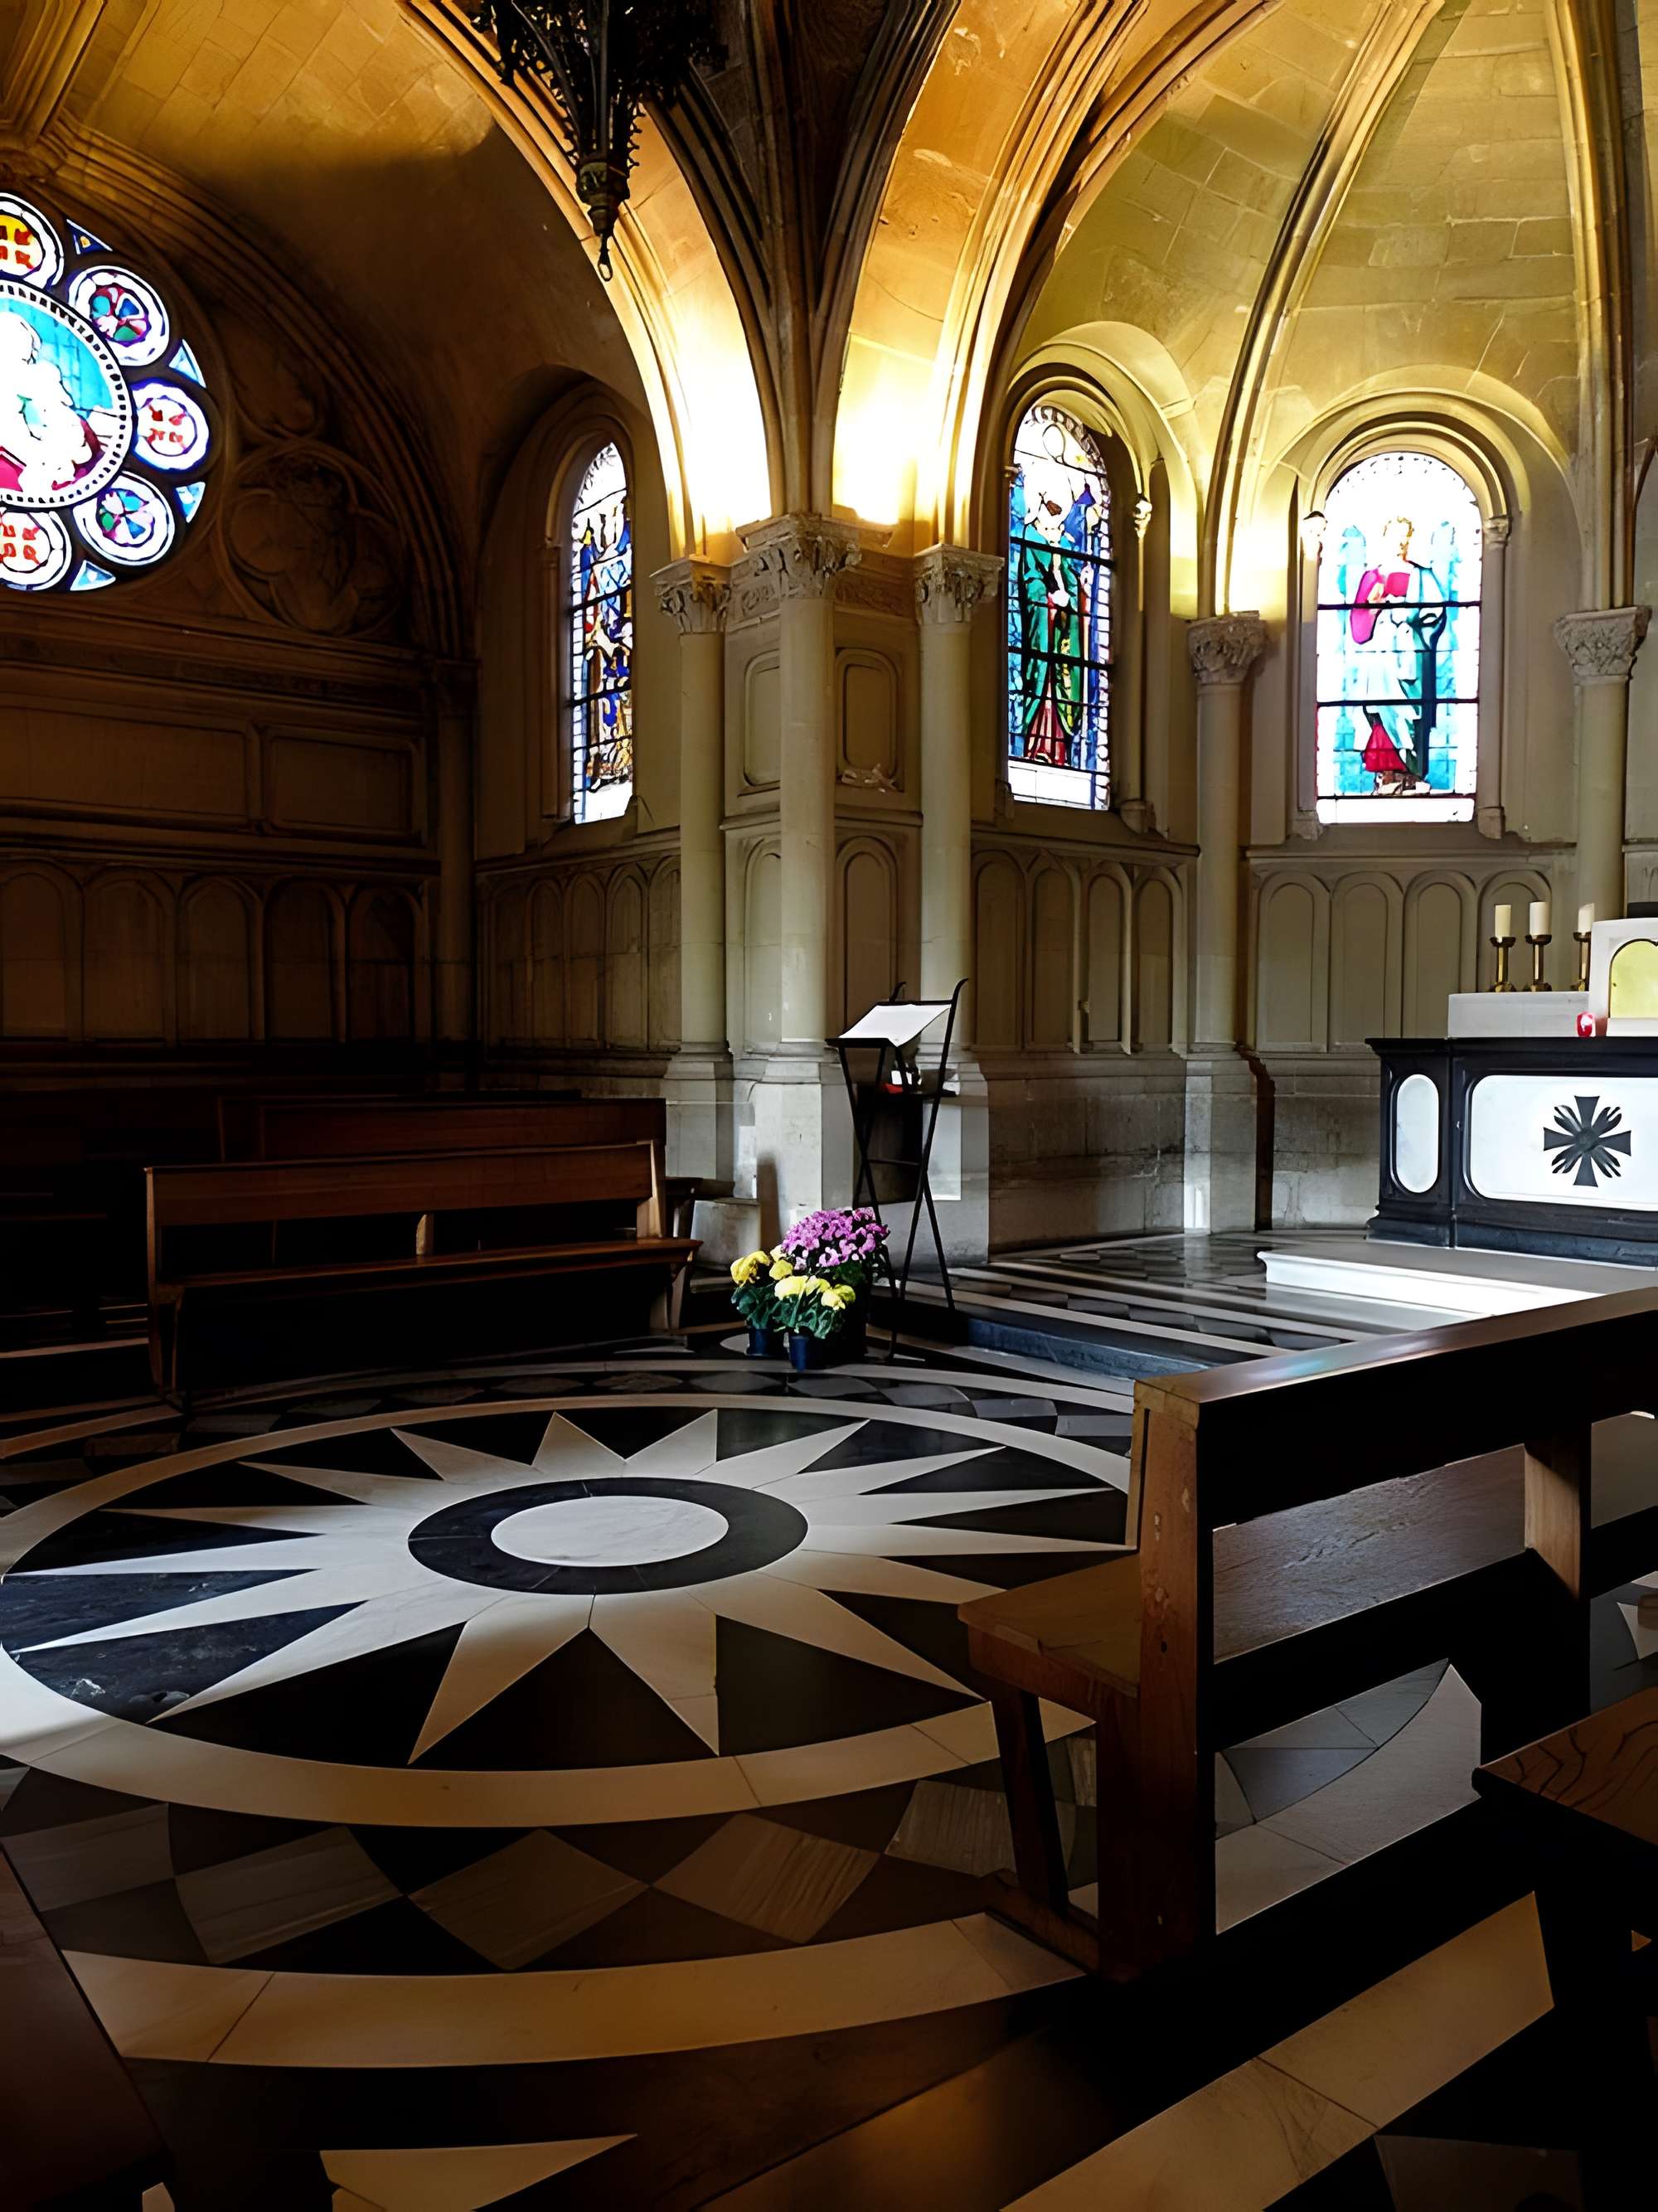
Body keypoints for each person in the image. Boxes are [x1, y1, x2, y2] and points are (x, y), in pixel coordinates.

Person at [1348, 513, 1447, 795]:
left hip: (1409, 656)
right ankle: (1386, 775)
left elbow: (1434, 614)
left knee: (1410, 714)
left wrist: (1408, 617)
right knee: (1380, 710)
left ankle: (1411, 774)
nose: (1400, 544)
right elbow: (1357, 624)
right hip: (1379, 658)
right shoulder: (1372, 576)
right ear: (1383, 539)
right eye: (1395, 538)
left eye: (1405, 539)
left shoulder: (1422, 577)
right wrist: (1374, 606)